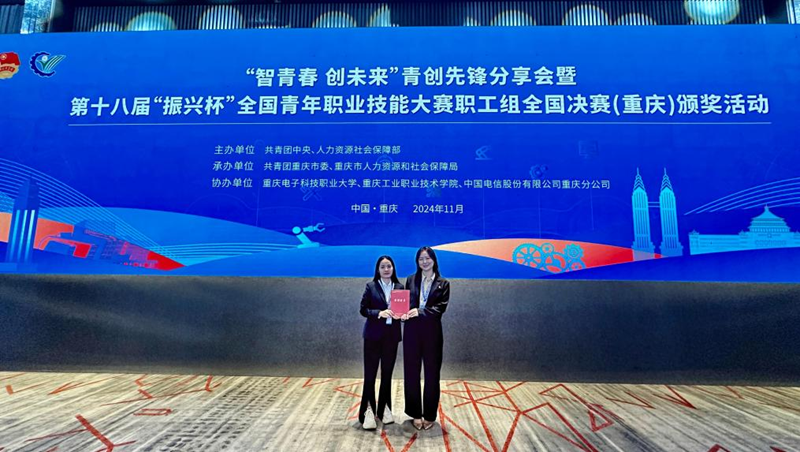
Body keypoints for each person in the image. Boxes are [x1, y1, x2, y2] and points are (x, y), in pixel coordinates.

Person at [402, 246, 450, 430]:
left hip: (432, 334)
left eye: (427, 258)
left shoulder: (443, 283)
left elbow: (440, 309)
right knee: (411, 373)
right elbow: (405, 304)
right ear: (417, 262)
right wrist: (402, 313)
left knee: (432, 374)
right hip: (412, 332)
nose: (424, 262)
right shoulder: (410, 280)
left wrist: (419, 312)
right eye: (421, 259)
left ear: (433, 260)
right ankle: (415, 413)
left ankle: (429, 415)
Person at [358, 255, 403, 430]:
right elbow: (363, 310)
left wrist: (403, 315)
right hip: (373, 337)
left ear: (393, 268)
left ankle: (385, 408)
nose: (386, 269)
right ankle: (368, 411)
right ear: (378, 269)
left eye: (389, 266)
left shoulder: (399, 287)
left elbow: (402, 310)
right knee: (370, 375)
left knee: (387, 374)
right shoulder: (371, 287)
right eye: (383, 266)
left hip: (391, 337)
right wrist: (379, 313)